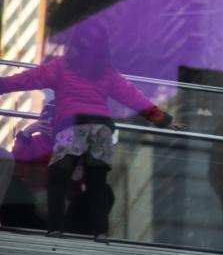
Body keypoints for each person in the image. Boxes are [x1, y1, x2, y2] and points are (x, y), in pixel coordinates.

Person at [0, 22, 182, 241]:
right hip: (101, 129)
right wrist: (163, 119)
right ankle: (100, 232)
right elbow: (133, 96)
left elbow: (27, 79)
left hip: (73, 126)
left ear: (75, 44)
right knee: (97, 183)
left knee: (58, 178)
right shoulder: (107, 73)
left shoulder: (61, 67)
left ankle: (56, 229)